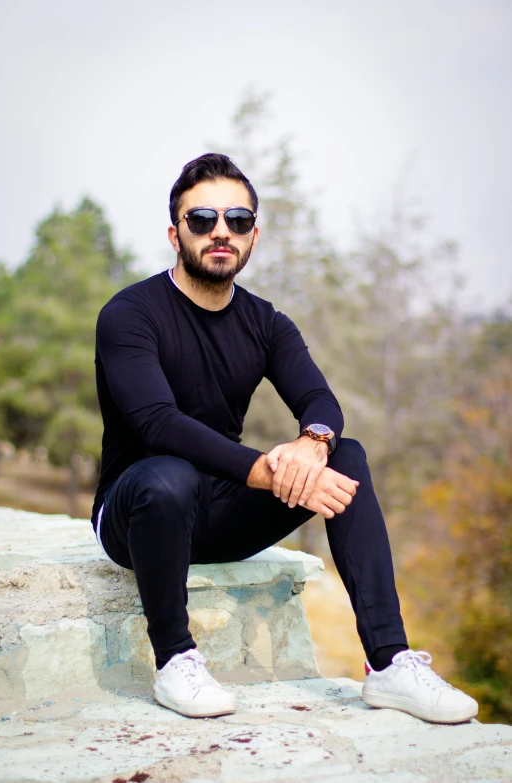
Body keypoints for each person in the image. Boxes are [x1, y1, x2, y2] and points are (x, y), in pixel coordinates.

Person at [91, 153, 478, 724]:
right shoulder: (130, 314)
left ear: (253, 236)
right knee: (167, 473)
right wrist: (265, 469)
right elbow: (157, 423)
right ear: (175, 234)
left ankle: (390, 663)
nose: (221, 231)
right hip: (137, 512)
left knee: (345, 455)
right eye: (202, 219)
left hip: (219, 513)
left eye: (238, 220)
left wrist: (312, 444)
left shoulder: (267, 322)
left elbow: (321, 404)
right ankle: (175, 659)